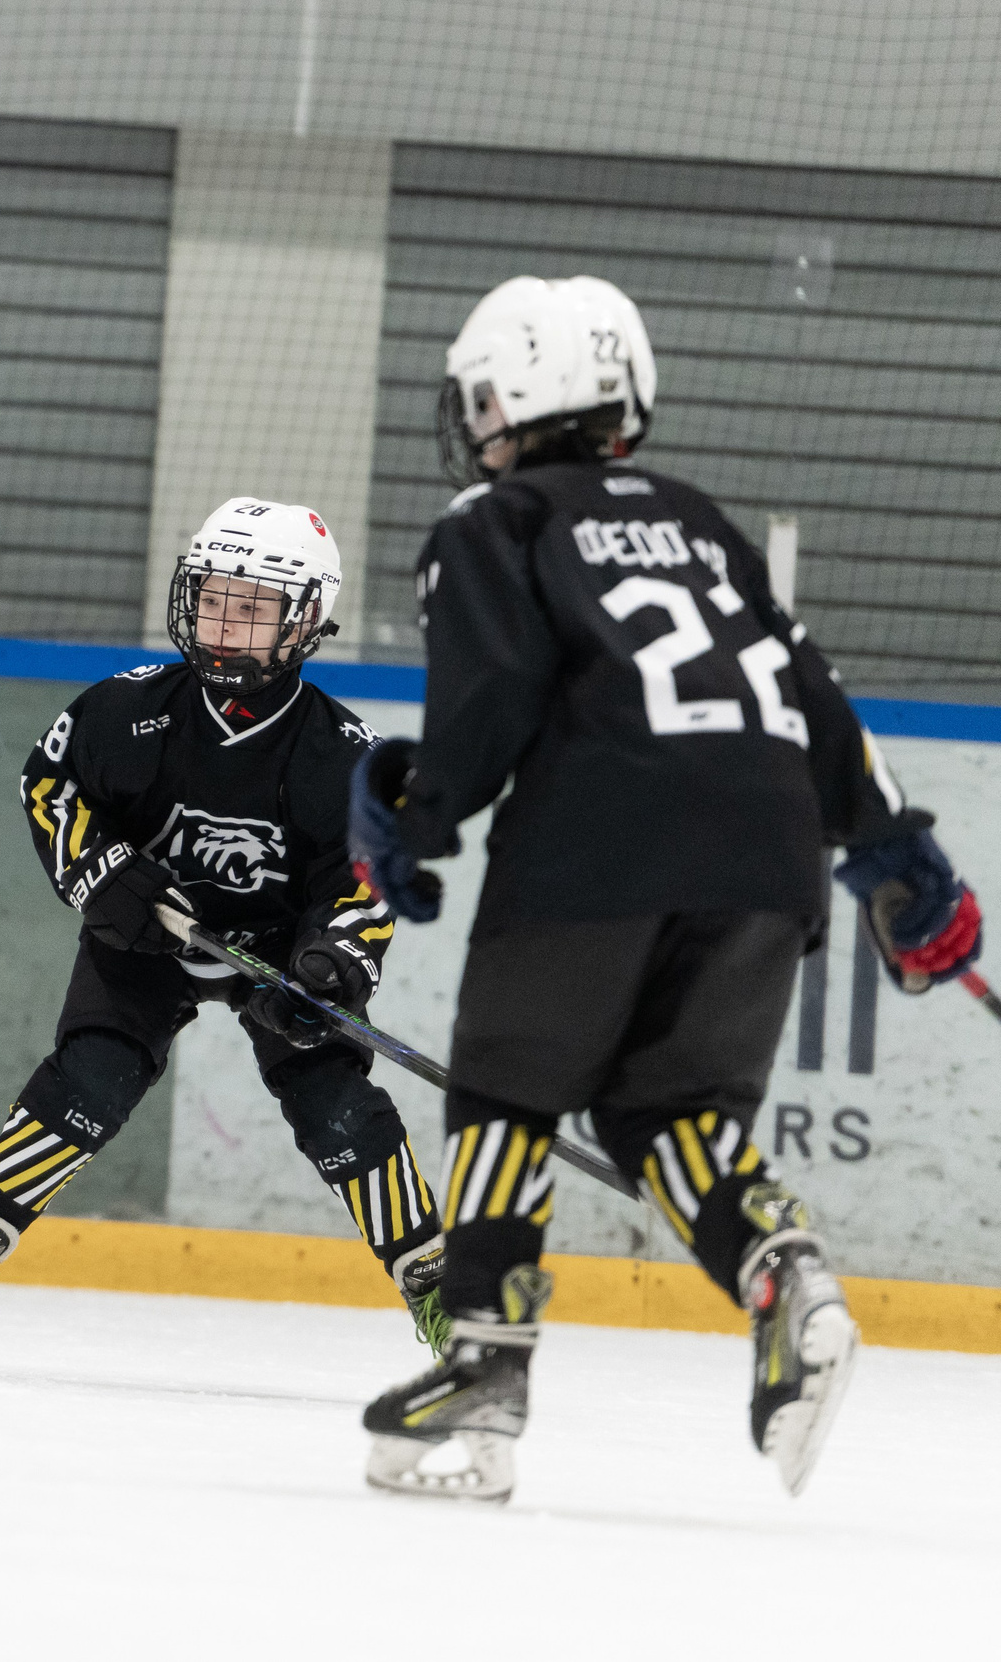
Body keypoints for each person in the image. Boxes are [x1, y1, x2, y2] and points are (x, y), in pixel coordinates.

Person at [352, 274, 979, 1500]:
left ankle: (484, 1361)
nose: (473, 423)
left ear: (512, 397)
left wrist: (415, 818)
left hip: (597, 842)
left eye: (480, 399)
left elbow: (490, 693)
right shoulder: (699, 520)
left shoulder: (491, 520)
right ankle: (789, 1283)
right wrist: (898, 854)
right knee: (669, 1111)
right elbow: (815, 700)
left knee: (507, 1089)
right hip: (768, 858)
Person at [0, 498, 450, 1369]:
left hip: (278, 953)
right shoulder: (126, 710)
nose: (225, 622)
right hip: (147, 932)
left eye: (252, 607)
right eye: (214, 597)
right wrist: (100, 872)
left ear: (307, 620)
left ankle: (440, 1290)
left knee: (338, 1108)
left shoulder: (342, 754)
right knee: (91, 1077)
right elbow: (50, 784)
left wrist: (334, 962)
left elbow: (369, 877)